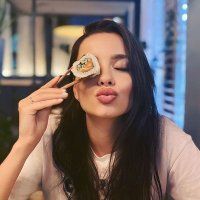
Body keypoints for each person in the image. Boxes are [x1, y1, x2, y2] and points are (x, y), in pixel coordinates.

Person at [0, 19, 200, 200]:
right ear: (76, 89)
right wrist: (25, 142)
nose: (105, 78)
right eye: (90, 66)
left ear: (138, 82)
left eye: (121, 66)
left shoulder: (166, 138)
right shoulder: (49, 133)